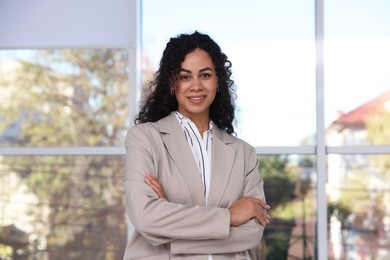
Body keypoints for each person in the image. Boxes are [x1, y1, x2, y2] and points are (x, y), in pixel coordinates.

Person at [123, 31, 270, 260]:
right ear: (172, 82)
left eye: (205, 75)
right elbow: (146, 218)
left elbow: (251, 233)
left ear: (217, 80)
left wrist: (170, 228)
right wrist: (229, 217)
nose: (196, 86)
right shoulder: (144, 139)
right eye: (185, 77)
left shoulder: (244, 154)